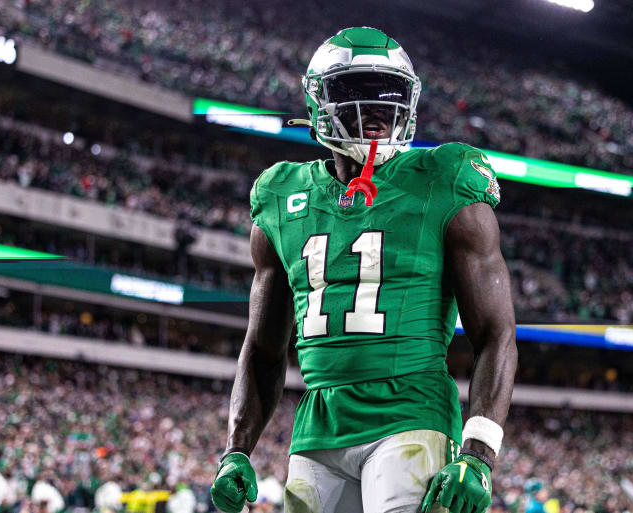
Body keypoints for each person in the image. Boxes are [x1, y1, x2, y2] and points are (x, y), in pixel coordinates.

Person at [209, 26, 518, 513]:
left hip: (411, 411)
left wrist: (479, 454)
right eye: (355, 92)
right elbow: (264, 346)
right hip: (319, 423)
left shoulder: (444, 179)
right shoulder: (279, 195)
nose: (376, 109)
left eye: (389, 94)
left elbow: (496, 333)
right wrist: (236, 450)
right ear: (316, 103)